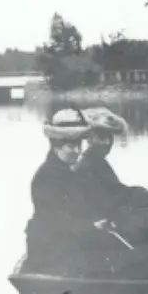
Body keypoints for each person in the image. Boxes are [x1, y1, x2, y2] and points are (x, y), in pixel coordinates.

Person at [74, 107, 148, 277]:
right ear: (90, 138)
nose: (107, 143)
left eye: (109, 138)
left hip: (106, 219)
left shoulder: (95, 161)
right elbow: (118, 197)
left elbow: (120, 193)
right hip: (101, 226)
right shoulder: (89, 164)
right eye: (101, 137)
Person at [23, 108, 128, 276]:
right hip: (49, 253)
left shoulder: (67, 172)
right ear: (56, 146)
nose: (77, 151)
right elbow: (55, 223)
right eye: (71, 146)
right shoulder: (46, 177)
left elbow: (78, 211)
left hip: (66, 243)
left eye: (79, 145)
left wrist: (98, 222)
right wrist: (92, 226)